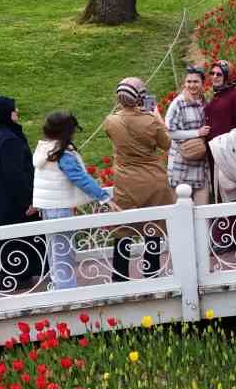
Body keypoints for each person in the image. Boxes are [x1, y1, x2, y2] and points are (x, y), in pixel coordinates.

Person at [103, 78, 175, 281]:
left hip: (126, 182)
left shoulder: (110, 121)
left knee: (123, 230)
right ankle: (151, 274)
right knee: (154, 228)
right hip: (153, 180)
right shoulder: (150, 120)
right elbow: (166, 143)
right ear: (141, 97)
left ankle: (119, 277)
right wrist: (156, 117)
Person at [32, 111, 113, 290]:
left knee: (55, 252)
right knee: (64, 253)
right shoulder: (62, 154)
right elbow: (80, 178)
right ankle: (66, 290)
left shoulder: (44, 149)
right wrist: (103, 197)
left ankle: (59, 287)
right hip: (59, 208)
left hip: (48, 208)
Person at [0, 95, 43, 288]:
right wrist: (29, 200)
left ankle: (9, 279)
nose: (17, 111)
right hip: (12, 202)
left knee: (5, 241)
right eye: (13, 108)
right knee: (17, 240)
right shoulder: (9, 140)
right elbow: (16, 174)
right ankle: (19, 279)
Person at [166, 66, 212, 204]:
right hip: (181, 162)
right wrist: (197, 133)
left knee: (203, 210)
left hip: (200, 162)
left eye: (195, 81)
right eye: (189, 81)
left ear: (202, 83)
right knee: (181, 209)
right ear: (184, 83)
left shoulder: (204, 102)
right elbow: (170, 132)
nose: (192, 85)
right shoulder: (178, 103)